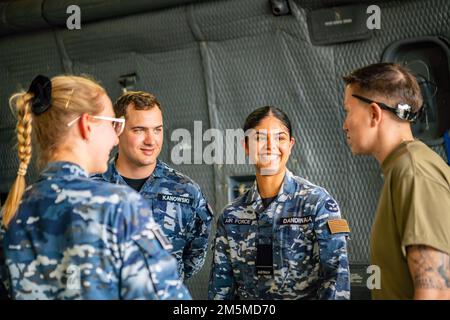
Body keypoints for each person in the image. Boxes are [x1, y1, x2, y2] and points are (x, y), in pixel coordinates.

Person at [0, 75, 191, 300]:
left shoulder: (12, 211)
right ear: (86, 125)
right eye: (113, 124)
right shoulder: (117, 206)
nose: (114, 137)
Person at [208, 106, 350, 300]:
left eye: (280, 137)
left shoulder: (318, 204)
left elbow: (336, 281)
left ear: (290, 145)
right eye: (259, 137)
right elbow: (220, 289)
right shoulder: (231, 216)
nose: (270, 146)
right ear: (246, 146)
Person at [342, 62, 450, 299]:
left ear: (374, 113)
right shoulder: (404, 167)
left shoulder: (413, 172)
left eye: (348, 110)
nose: (345, 124)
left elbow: (438, 292)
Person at [92, 91, 213, 281]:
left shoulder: (187, 192)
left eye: (157, 129)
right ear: (117, 129)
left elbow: (193, 258)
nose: (151, 140)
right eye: (139, 130)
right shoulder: (90, 188)